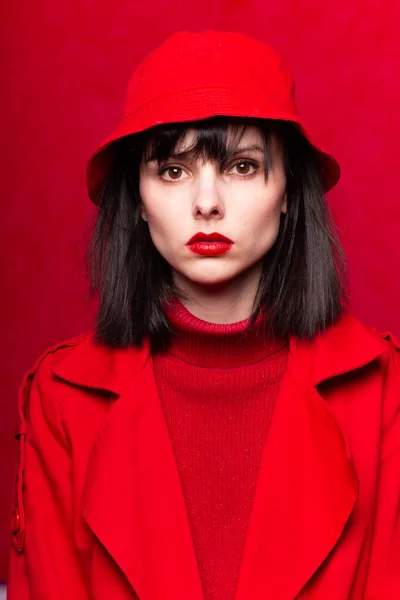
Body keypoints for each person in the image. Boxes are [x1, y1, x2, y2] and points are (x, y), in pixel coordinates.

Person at [7, 30, 400, 600]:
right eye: (173, 170)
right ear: (137, 201)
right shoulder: (63, 398)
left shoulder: (382, 388)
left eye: (241, 166)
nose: (206, 202)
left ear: (289, 189)